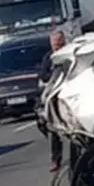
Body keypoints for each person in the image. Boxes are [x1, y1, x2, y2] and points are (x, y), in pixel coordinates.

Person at [38, 31, 67, 172]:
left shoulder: (70, 53)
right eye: (56, 45)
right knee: (52, 128)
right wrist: (54, 76)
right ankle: (56, 159)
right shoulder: (48, 58)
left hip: (69, 94)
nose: (58, 48)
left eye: (60, 44)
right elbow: (43, 75)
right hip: (53, 96)